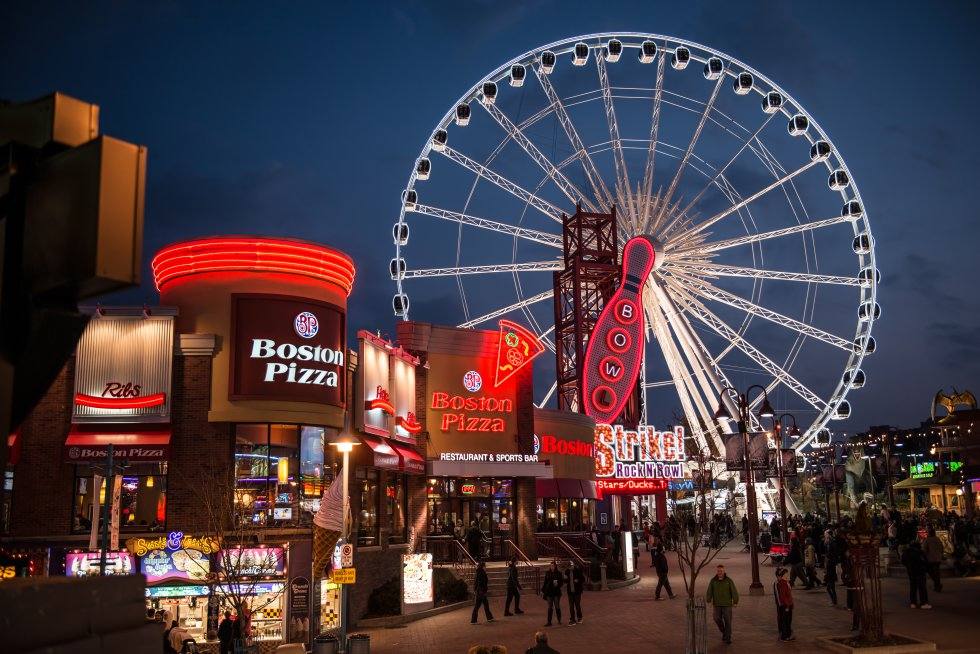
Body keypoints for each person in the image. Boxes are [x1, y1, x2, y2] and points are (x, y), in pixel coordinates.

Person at [705, 564, 739, 645]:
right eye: (718, 571)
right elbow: (709, 590)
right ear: (717, 572)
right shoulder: (713, 581)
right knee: (716, 618)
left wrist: (735, 601)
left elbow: (734, 591)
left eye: (721, 571)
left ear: (724, 571)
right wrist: (708, 600)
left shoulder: (729, 581)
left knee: (728, 621)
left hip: (727, 604)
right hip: (717, 604)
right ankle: (724, 632)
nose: (719, 572)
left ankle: (728, 637)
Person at [901, 541, 931, 609]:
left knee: (913, 587)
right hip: (920, 572)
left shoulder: (906, 552)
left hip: (911, 572)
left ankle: (913, 603)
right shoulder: (920, 552)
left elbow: (903, 561)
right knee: (922, 587)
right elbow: (924, 561)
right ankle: (923, 603)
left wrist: (908, 566)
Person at [773, 568, 795, 642]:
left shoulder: (786, 582)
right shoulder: (779, 583)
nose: (787, 576)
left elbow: (788, 595)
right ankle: (783, 635)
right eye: (785, 575)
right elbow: (782, 596)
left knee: (788, 620)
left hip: (787, 604)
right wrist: (785, 605)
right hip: (783, 605)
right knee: (784, 620)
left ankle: (788, 635)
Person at [541, 560, 563, 626]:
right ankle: (549, 621)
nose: (552, 567)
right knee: (550, 607)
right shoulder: (547, 573)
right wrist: (542, 590)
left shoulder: (559, 573)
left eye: (553, 566)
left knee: (557, 606)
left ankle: (559, 619)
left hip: (556, 592)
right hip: (549, 592)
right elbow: (545, 582)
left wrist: (558, 584)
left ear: (555, 566)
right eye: (551, 566)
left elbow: (561, 583)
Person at [923, 527, 944, 592]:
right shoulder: (938, 539)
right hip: (938, 558)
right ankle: (937, 585)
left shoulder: (927, 540)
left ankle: (937, 584)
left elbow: (925, 550)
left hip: (930, 559)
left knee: (930, 571)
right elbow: (942, 548)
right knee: (936, 572)